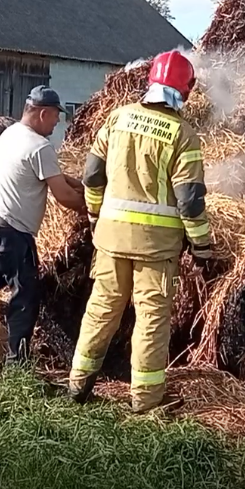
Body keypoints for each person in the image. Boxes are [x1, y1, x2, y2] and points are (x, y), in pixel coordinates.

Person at [68, 50, 213, 413]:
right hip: (156, 247)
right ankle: (146, 400)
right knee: (150, 319)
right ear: (187, 90)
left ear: (150, 83)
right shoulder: (182, 134)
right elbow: (190, 201)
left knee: (101, 308)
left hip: (110, 239)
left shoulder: (117, 118)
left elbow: (91, 176)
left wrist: (94, 214)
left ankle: (77, 383)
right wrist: (202, 246)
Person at [0, 86, 85, 363]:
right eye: (56, 116)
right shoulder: (39, 146)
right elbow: (64, 197)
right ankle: (16, 363)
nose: (58, 121)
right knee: (25, 296)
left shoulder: (10, 134)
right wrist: (94, 208)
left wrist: (75, 182)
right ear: (43, 112)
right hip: (15, 233)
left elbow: (48, 176)